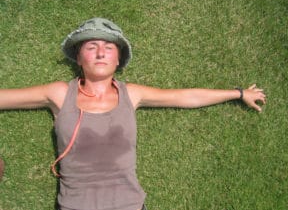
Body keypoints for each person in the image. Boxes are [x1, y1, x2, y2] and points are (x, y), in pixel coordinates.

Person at [0, 17, 266, 210]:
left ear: (118, 59)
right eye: (91, 46)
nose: (101, 52)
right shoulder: (59, 94)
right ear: (79, 58)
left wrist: (238, 94)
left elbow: (186, 97)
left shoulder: (132, 94)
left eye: (109, 47)